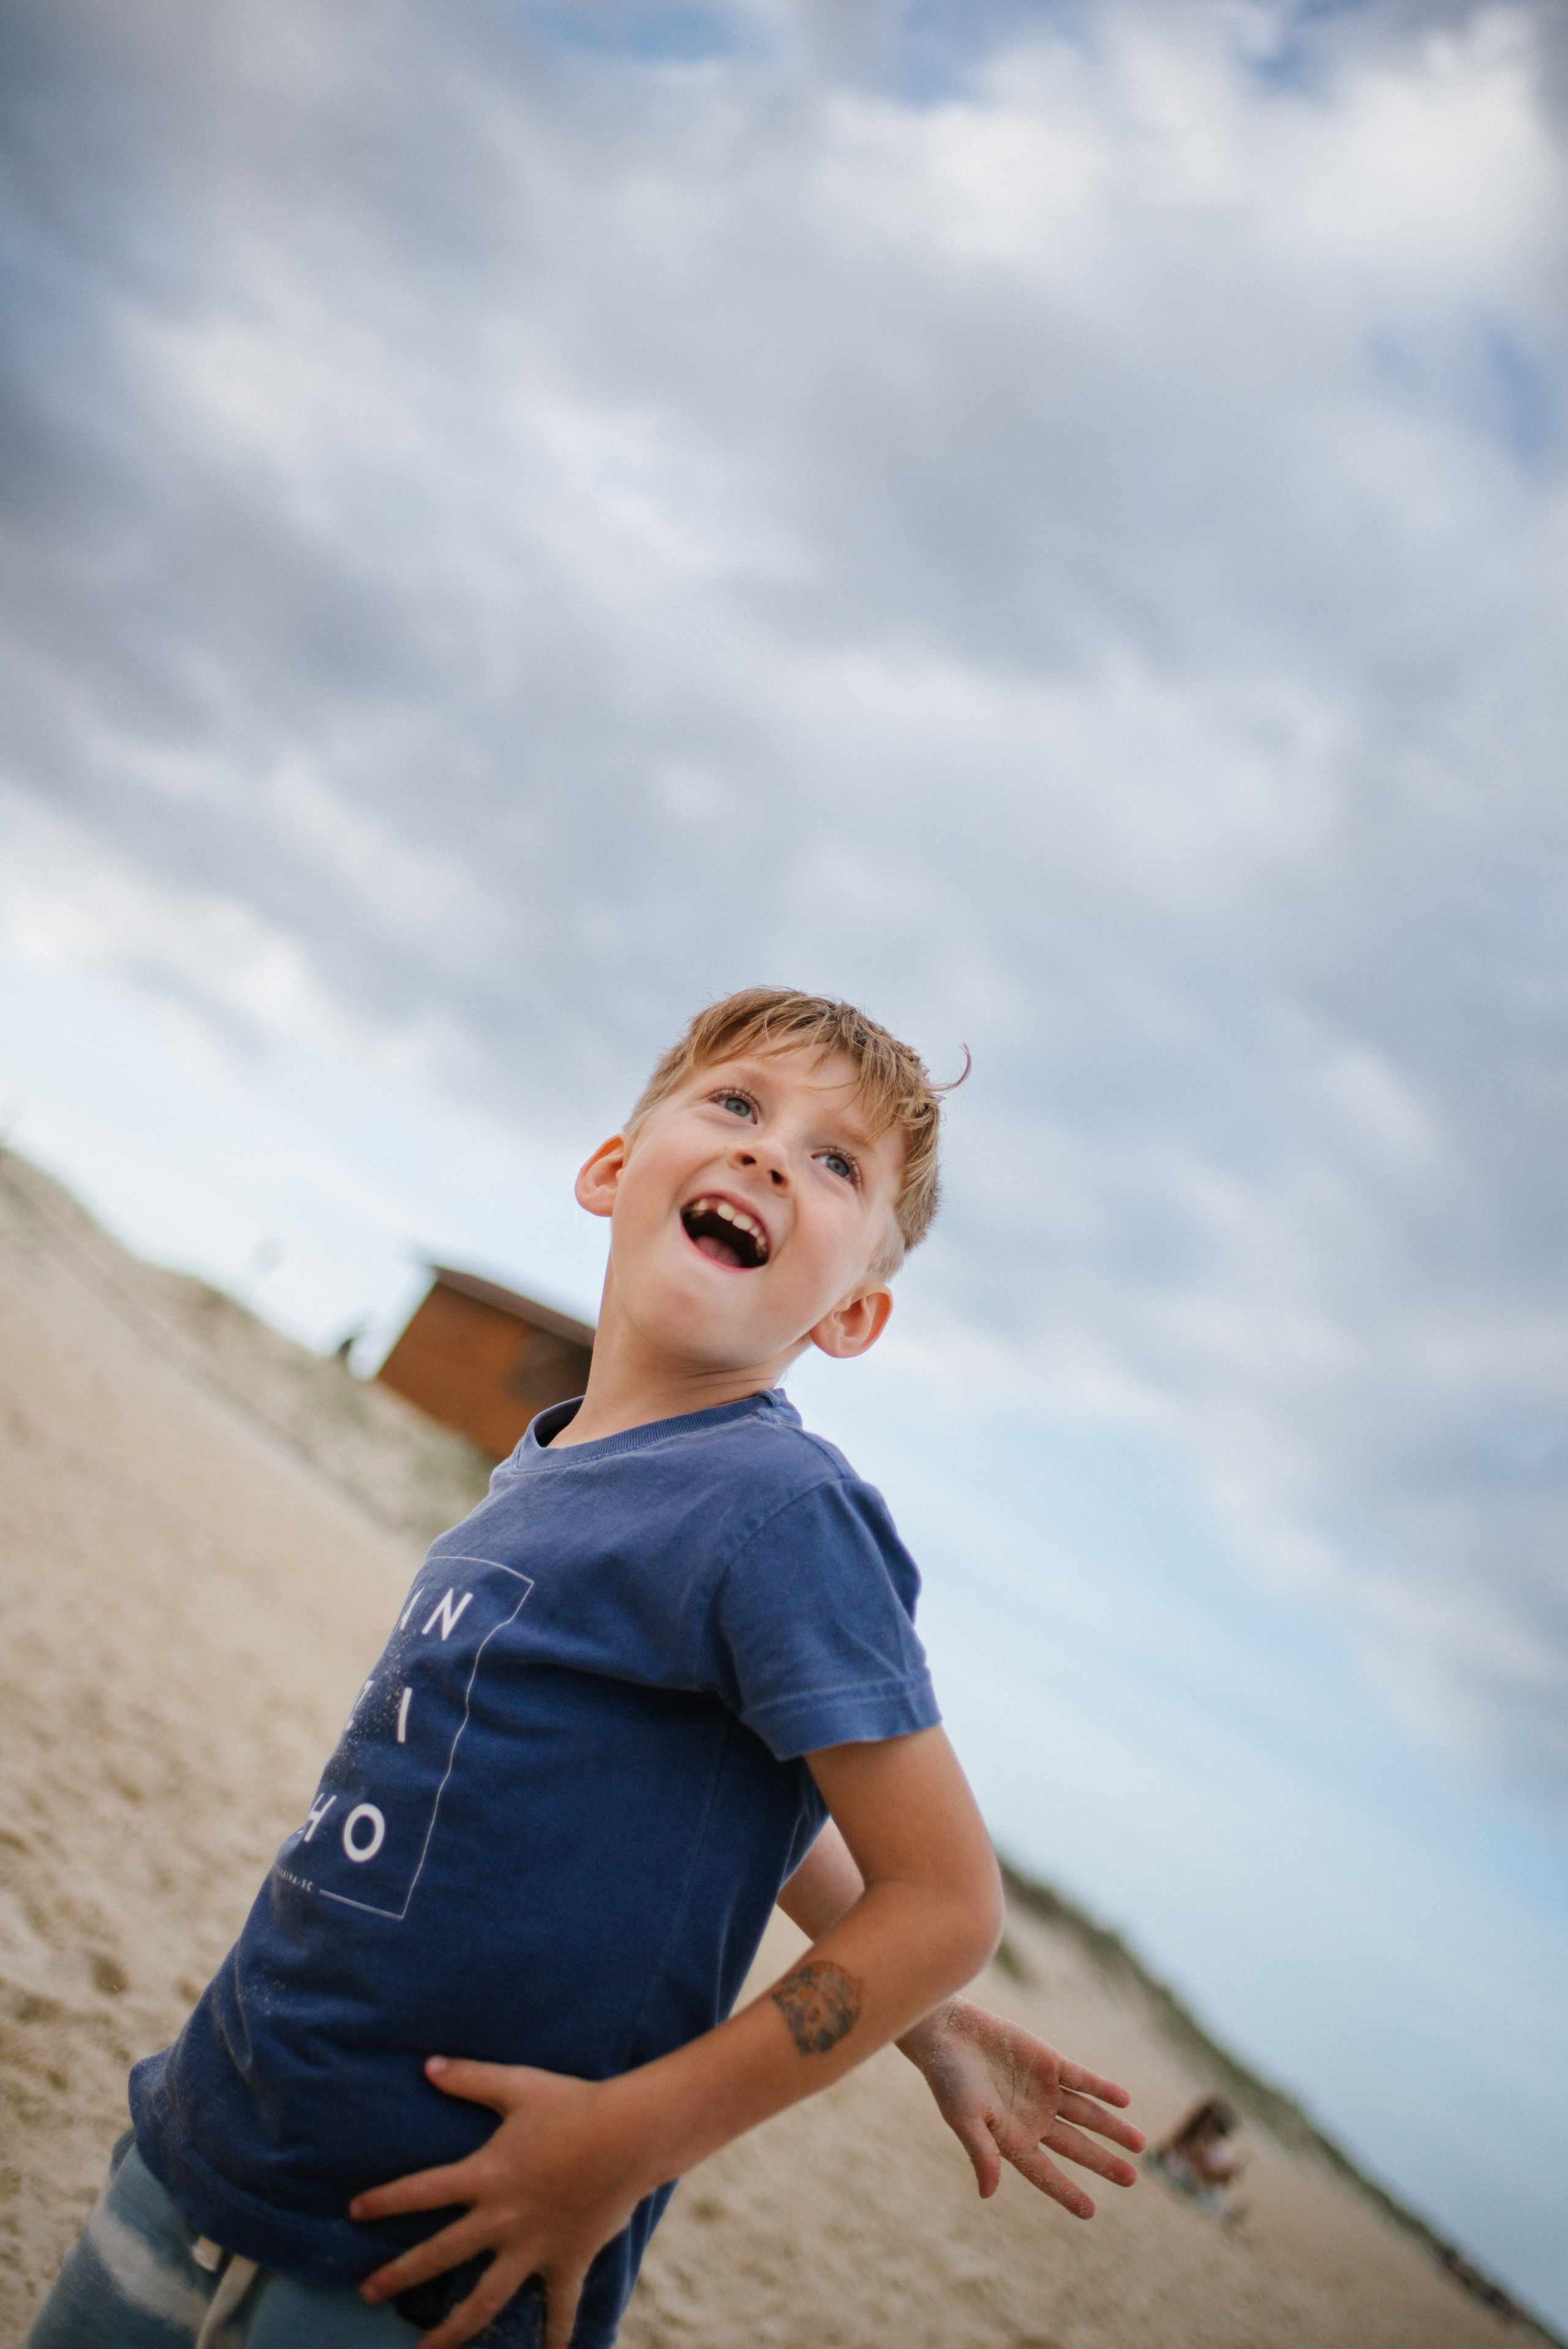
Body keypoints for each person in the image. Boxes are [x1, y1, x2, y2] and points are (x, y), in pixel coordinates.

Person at [29, 987, 1147, 2349]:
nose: (769, 1155)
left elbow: (945, 1895)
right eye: (735, 1106)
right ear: (612, 1170)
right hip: (216, 2127)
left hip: (437, 2238)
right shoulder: (538, 1472)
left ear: (854, 1315)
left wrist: (621, 2146)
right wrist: (926, 2024)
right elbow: (745, 1794)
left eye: (835, 1162)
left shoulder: (777, 1507)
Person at [1149, 2097, 1245, 2219]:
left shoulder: (1217, 2150)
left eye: (1214, 2127)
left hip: (1196, 2184)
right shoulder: (1194, 2134)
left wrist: (1201, 2162)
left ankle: (1226, 2213)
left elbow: (1213, 2177)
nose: (1209, 2127)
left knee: (1205, 2196)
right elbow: (1172, 2146)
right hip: (1182, 2173)